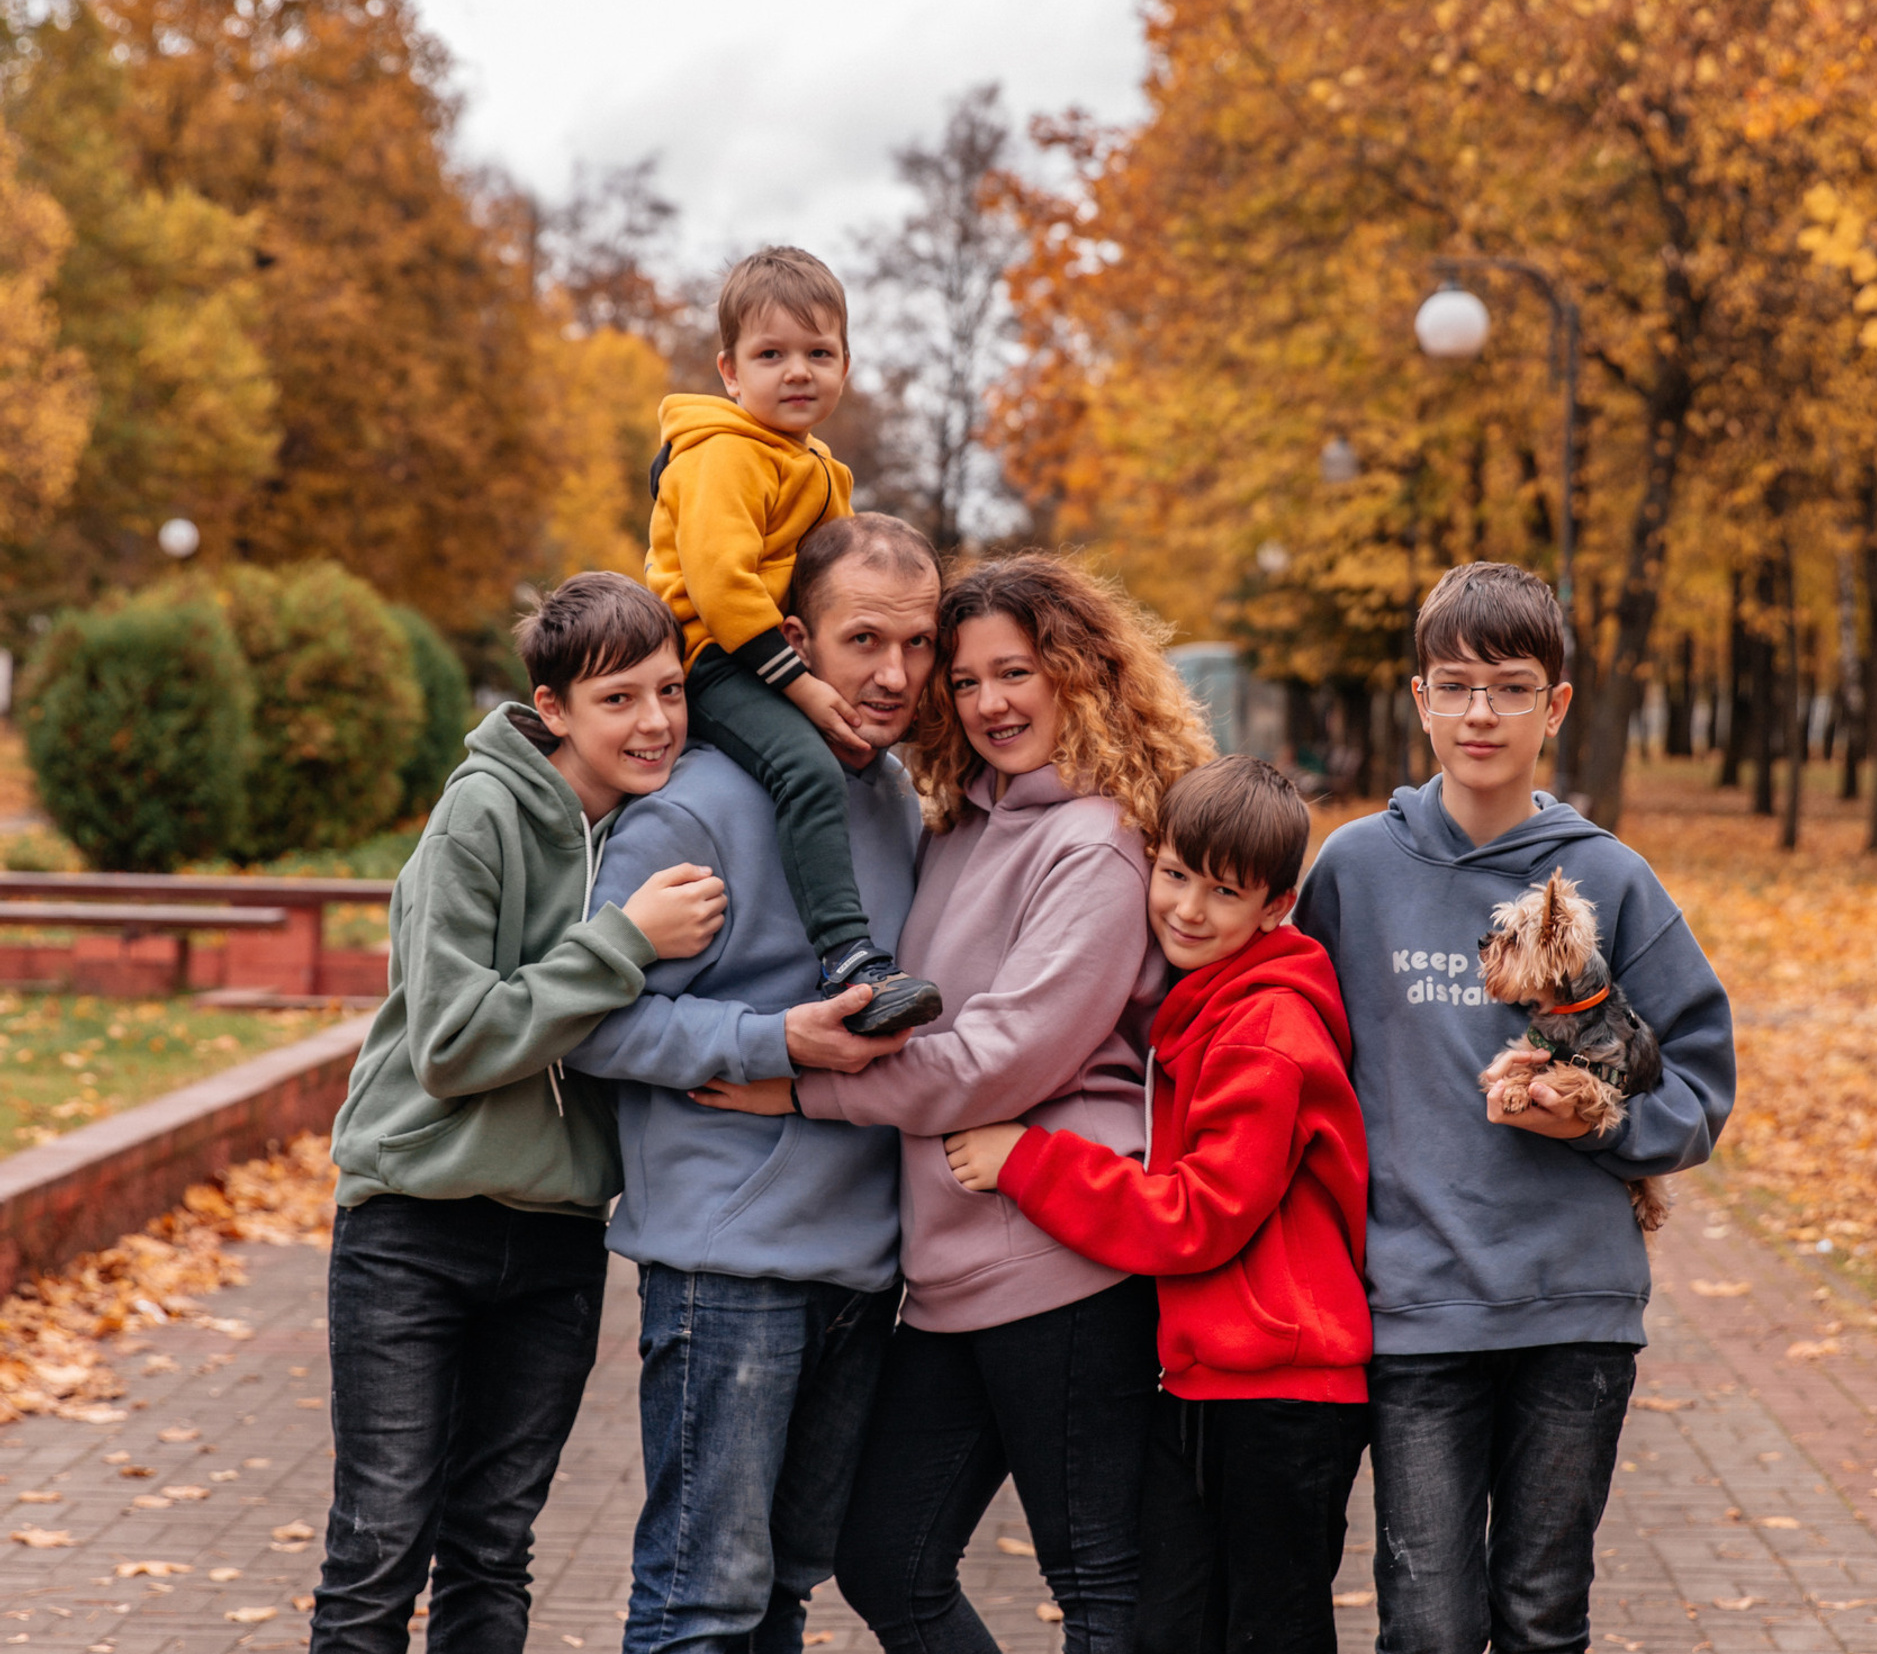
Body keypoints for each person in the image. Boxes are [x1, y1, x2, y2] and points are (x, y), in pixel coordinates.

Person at [697, 552, 1215, 1654]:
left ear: (1078, 672)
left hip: (1063, 1257)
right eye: (967, 680)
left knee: (1097, 1587)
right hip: (948, 1267)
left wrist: (797, 1089)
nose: (989, 703)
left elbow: (998, 1057)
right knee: (886, 1556)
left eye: (1016, 672)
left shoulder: (1103, 843)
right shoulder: (966, 825)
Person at [1291, 560, 1736, 1654]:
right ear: (1420, 700)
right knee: (1429, 1628)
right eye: (1456, 684)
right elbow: (1288, 1061)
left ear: (1558, 705)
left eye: (1511, 685)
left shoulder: (1611, 880)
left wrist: (1605, 1125)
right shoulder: (1351, 869)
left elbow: (1702, 1087)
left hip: (1573, 1310)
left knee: (1541, 1620)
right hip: (1414, 1309)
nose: (1481, 712)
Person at [314, 573, 729, 1654]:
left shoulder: (654, 829)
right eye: (619, 699)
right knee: (378, 1551)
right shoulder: (480, 814)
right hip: (413, 1227)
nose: (655, 722)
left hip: (555, 1241)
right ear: (553, 711)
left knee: (494, 1547)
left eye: (671, 692)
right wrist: (624, 941)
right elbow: (451, 1044)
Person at [564, 514, 943, 1654]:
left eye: (919, 644)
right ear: (793, 640)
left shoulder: (892, 795)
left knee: (782, 1593)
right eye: (864, 638)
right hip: (729, 1272)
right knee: (702, 1600)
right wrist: (777, 1040)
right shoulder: (697, 804)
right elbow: (591, 1026)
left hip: (862, 1267)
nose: (893, 674)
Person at [944, 754, 1372, 1654]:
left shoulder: (1269, 1032)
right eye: (1174, 875)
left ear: (1276, 908)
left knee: (1270, 1635)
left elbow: (1198, 1216)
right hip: (1209, 1378)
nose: (1187, 908)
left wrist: (1029, 1159)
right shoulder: (1205, 1003)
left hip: (1281, 1392)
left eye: (1223, 893)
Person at [647, 244, 939, 1034]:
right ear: (730, 371)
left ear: (846, 364)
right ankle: (848, 955)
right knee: (807, 765)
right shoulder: (725, 455)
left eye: (819, 352)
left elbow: (837, 582)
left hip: (768, 654)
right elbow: (717, 584)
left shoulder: (821, 469)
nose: (798, 371)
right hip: (711, 657)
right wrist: (804, 685)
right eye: (771, 354)